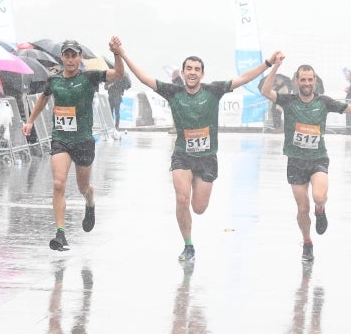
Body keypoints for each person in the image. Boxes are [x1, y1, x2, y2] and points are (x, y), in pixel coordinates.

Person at [114, 36, 277, 262]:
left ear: (202, 74)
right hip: (182, 155)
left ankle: (192, 219)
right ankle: (188, 245)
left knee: (198, 208)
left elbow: (243, 78)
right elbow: (144, 78)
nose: (192, 72)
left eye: (196, 69)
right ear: (182, 73)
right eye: (188, 68)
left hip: (207, 158)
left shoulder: (214, 90)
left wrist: (268, 63)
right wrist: (122, 53)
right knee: (182, 199)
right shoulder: (173, 92)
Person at [261, 54, 351, 263]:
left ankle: (320, 210)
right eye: (303, 79)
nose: (306, 83)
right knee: (302, 208)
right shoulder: (289, 101)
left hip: (317, 159)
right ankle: (307, 242)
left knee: (319, 197)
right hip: (295, 161)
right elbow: (265, 91)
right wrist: (275, 67)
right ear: (297, 81)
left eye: (310, 79)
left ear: (315, 81)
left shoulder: (323, 101)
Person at [22, 38, 125, 251]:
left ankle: (90, 200)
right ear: (62, 57)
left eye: (73, 55)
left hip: (83, 141)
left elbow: (118, 74)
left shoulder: (89, 77)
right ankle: (60, 234)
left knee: (82, 187)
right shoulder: (54, 80)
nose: (70, 60)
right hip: (61, 138)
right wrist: (30, 120)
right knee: (58, 184)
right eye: (66, 55)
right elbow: (42, 98)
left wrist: (117, 54)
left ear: (79, 57)